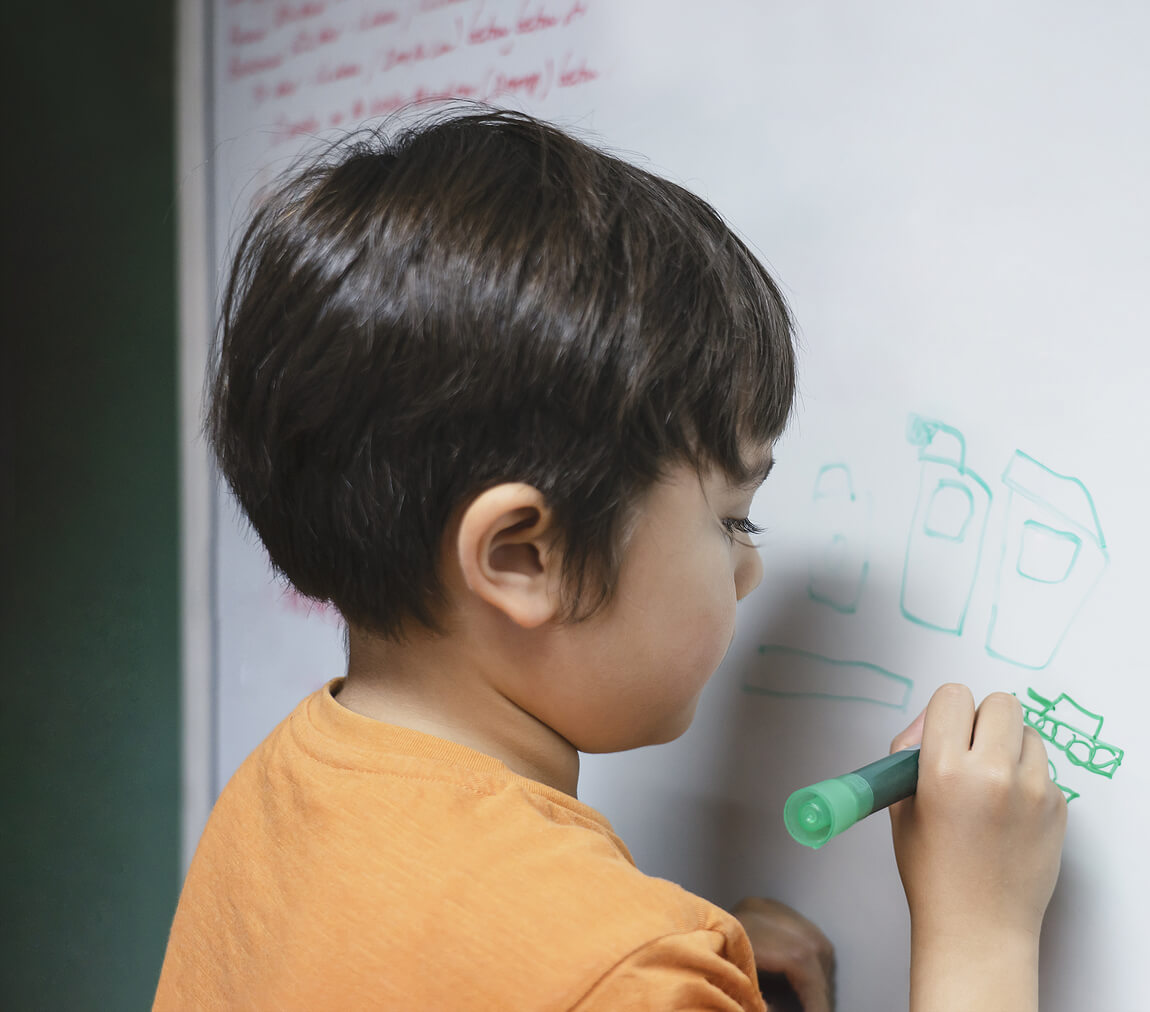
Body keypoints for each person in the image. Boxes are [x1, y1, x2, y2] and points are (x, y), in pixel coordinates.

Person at [154, 107, 1067, 1011]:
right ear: (524, 557)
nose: (748, 570)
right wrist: (978, 936)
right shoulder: (628, 974)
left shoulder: (279, 795)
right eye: (733, 521)